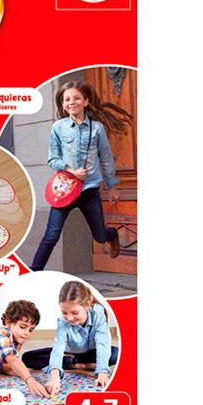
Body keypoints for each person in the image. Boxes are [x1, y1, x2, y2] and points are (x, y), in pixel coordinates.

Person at [31, 80, 133, 272]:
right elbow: (52, 159)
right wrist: (72, 171)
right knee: (51, 236)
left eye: (77, 98)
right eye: (67, 99)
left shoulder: (97, 128)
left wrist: (112, 186)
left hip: (89, 191)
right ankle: (34, 272)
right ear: (63, 104)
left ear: (86, 101)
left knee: (100, 236)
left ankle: (111, 235)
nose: (72, 102)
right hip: (65, 191)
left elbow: (106, 158)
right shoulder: (58, 128)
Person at [22, 280, 118, 394]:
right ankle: (78, 365)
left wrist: (102, 372)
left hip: (90, 352)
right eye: (64, 313)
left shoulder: (98, 314)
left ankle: (73, 363)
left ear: (87, 305)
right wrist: (55, 377)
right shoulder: (63, 322)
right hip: (68, 354)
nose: (69, 318)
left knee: (116, 353)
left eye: (75, 313)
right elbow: (58, 349)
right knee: (27, 357)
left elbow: (102, 343)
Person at [0, 300, 48, 397]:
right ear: (8, 322)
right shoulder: (2, 333)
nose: (26, 333)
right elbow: (12, 360)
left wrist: (24, 374)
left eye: (30, 330)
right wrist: (29, 380)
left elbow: (4, 367)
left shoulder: (15, 342)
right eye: (22, 327)